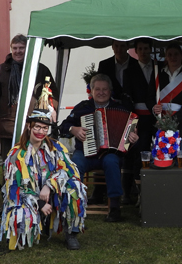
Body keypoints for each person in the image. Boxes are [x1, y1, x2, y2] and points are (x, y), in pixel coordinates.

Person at [0, 109, 87, 250]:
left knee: (74, 187)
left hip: (51, 194)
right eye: (37, 127)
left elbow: (69, 170)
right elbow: (15, 188)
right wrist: (39, 203)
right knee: (20, 217)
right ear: (29, 127)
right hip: (28, 199)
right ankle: (27, 231)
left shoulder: (55, 147)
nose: (41, 131)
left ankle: (71, 233)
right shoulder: (16, 154)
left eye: (45, 128)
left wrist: (49, 185)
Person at [59, 74, 139, 222]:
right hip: (84, 153)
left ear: (110, 91)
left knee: (111, 161)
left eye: (105, 89)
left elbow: (130, 136)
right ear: (91, 91)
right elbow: (63, 126)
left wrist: (133, 138)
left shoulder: (120, 108)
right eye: (97, 89)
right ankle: (74, 204)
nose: (101, 92)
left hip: (110, 153)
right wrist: (73, 129)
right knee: (75, 163)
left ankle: (114, 207)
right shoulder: (82, 107)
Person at [0, 34, 59, 160]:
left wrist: (51, 108)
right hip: (8, 128)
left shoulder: (40, 70)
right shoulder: (2, 70)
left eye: (21, 48)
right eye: (15, 48)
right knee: (10, 163)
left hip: (34, 127)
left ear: (27, 49)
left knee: (33, 163)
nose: (18, 51)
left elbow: (52, 93)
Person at [148, 43, 182, 168]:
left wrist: (171, 121)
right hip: (160, 122)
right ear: (166, 57)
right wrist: (154, 107)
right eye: (169, 54)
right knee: (160, 160)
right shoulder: (157, 74)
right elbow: (149, 97)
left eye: (176, 54)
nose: (173, 57)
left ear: (181, 56)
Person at [121, 38, 157, 204]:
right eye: (140, 49)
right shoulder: (129, 71)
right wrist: (132, 123)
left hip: (157, 118)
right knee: (139, 152)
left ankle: (158, 187)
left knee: (160, 151)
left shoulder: (159, 68)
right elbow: (127, 98)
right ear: (135, 51)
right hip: (138, 119)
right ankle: (138, 191)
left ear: (151, 50)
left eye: (146, 49)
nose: (143, 52)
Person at [97, 39, 138, 104]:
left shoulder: (137, 64)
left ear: (128, 47)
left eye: (122, 46)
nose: (119, 49)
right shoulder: (104, 65)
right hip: (110, 104)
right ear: (112, 47)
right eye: (116, 46)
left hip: (133, 104)